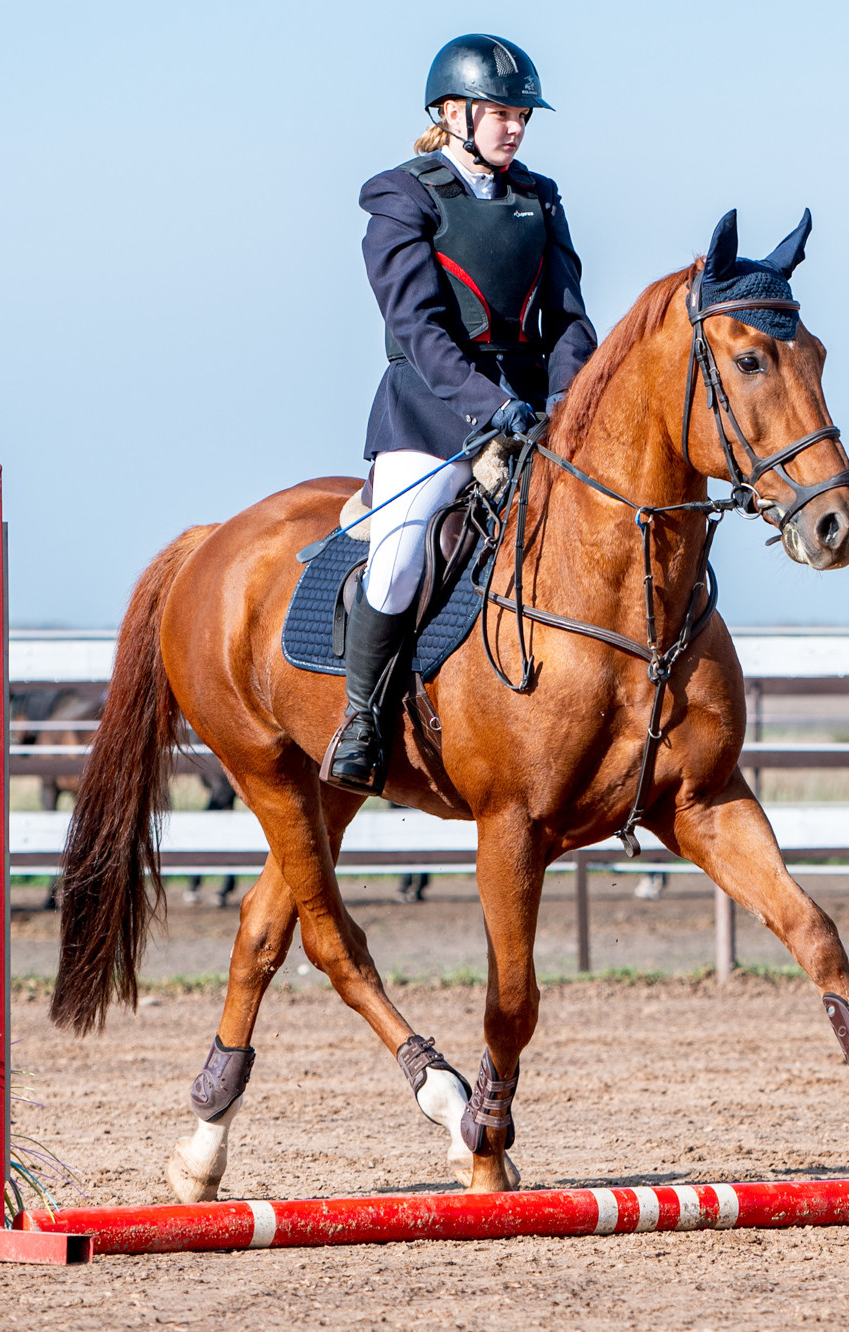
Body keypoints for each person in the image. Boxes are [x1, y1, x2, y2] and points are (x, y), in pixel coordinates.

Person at [324, 34, 598, 793]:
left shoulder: (539, 197)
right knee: (400, 556)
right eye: (501, 113)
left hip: (534, 412)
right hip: (430, 413)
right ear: (452, 113)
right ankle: (363, 720)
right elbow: (418, 330)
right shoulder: (400, 195)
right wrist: (493, 407)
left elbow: (569, 319)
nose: (515, 128)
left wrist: (566, 402)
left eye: (522, 117)